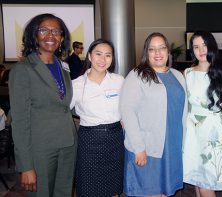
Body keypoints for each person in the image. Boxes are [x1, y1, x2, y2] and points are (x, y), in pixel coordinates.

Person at [8, 13, 76, 197]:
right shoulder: (23, 70)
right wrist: (26, 166)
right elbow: (19, 122)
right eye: (44, 30)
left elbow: (64, 103)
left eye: (56, 31)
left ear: (62, 38)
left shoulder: (63, 66)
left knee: (63, 193)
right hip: (40, 149)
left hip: (68, 144)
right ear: (34, 35)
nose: (50, 36)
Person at [120, 32, 187, 197]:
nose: (158, 53)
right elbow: (127, 112)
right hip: (148, 148)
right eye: (152, 49)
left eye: (162, 48)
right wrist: (138, 147)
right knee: (150, 192)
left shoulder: (178, 76)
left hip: (172, 147)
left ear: (168, 51)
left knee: (166, 192)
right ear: (146, 53)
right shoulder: (137, 75)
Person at [182, 31, 222, 197]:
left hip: (216, 134)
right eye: (196, 47)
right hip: (193, 133)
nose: (201, 50)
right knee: (198, 182)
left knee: (206, 185)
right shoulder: (187, 73)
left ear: (212, 46)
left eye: (204, 45)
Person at [70, 38, 124, 196]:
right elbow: (61, 112)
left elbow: (128, 111)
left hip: (115, 140)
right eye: (98, 54)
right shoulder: (77, 85)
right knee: (89, 188)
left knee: (113, 188)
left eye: (108, 55)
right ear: (89, 56)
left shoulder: (119, 81)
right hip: (89, 142)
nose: (103, 59)